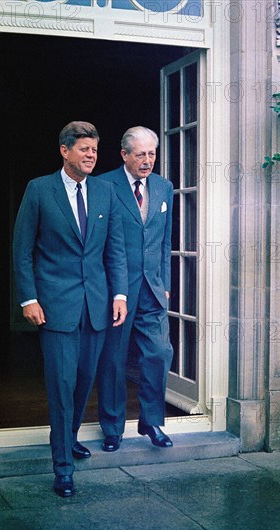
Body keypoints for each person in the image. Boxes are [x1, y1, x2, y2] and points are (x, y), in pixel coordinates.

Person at [13, 121, 128, 498]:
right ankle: (63, 467)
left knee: (82, 384)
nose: (92, 155)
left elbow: (115, 250)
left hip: (96, 307)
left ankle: (70, 437)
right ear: (65, 151)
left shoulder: (107, 192)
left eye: (95, 150)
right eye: (84, 149)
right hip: (55, 308)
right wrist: (29, 298)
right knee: (61, 387)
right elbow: (22, 249)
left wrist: (120, 295)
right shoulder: (39, 190)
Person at [96, 126, 174, 453]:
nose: (147, 161)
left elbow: (165, 242)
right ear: (124, 154)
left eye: (152, 154)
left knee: (158, 353)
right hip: (117, 291)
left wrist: (166, 285)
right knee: (113, 360)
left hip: (152, 289)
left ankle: (151, 421)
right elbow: (97, 243)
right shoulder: (103, 185)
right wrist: (109, 290)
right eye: (140, 154)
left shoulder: (163, 187)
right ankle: (112, 428)